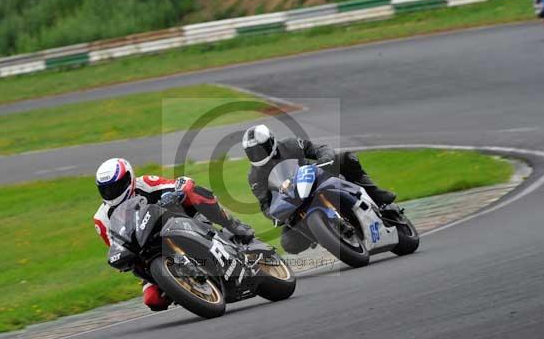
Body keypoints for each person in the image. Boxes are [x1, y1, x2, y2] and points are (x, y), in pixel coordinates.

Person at [93, 158, 254, 311]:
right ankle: (185, 286)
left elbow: (179, 184)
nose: (111, 192)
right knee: (153, 300)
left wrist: (177, 191)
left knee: (194, 192)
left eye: (116, 186)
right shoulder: (101, 218)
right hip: (146, 251)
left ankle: (232, 225)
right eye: (105, 189)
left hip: (174, 221)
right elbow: (116, 244)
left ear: (129, 178)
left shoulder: (146, 183)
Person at [242, 124, 395, 255]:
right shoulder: (254, 176)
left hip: (316, 179)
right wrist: (273, 215)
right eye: (252, 152)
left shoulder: (291, 144)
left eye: (260, 150)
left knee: (347, 158)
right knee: (288, 243)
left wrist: (325, 159)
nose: (257, 155)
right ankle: (322, 234)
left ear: (271, 141)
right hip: (293, 202)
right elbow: (264, 203)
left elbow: (320, 149)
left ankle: (376, 194)